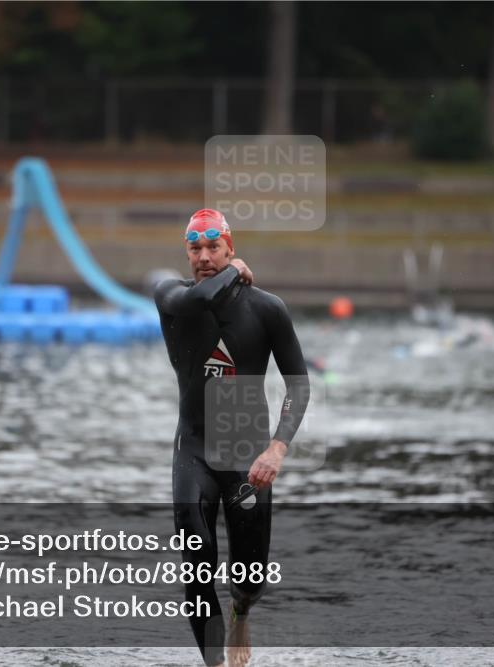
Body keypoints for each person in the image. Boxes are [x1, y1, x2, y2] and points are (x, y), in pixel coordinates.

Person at [154, 209, 309, 667]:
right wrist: (232, 275)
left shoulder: (267, 309)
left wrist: (277, 447)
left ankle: (241, 612)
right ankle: (215, 665)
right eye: (195, 249)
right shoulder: (170, 297)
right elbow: (194, 303)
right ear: (186, 251)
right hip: (194, 451)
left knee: (250, 574)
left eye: (213, 248)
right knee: (197, 563)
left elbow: (298, 383)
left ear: (230, 246)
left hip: (247, 454)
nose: (203, 257)